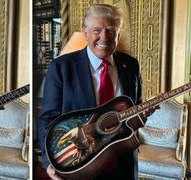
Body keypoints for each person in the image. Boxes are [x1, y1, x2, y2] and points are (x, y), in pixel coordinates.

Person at [38, 4, 148, 180]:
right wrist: (50, 161)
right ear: (85, 32)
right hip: (80, 165)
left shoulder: (131, 65)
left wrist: (143, 113)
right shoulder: (61, 67)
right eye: (97, 30)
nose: (104, 37)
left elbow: (136, 106)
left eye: (111, 30)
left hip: (123, 164)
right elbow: (47, 118)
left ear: (118, 33)